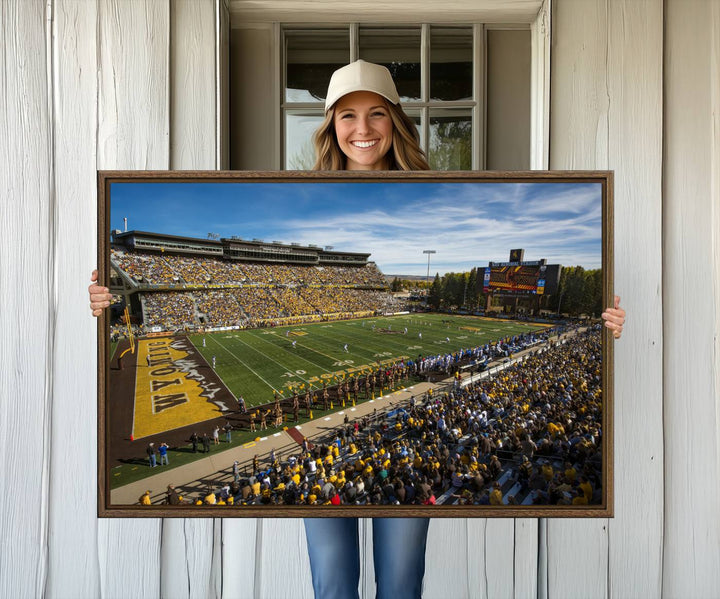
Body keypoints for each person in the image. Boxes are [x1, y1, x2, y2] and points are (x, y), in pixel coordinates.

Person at [87, 59, 626, 599]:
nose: (362, 129)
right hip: (350, 483)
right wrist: (106, 300)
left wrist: (606, 322)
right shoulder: (299, 188)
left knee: (399, 582)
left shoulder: (440, 185)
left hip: (393, 486)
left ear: (396, 121)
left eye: (375, 114)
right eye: (347, 116)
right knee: (333, 582)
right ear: (330, 126)